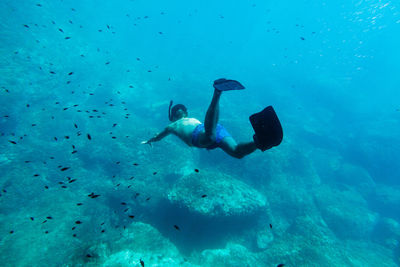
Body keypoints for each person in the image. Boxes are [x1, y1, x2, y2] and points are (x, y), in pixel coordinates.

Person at [141, 79, 283, 158]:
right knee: (236, 152)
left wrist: (150, 140)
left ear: (172, 116)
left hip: (203, 133)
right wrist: (151, 140)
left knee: (209, 136)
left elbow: (158, 136)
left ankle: (217, 92)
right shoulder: (189, 119)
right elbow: (158, 136)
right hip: (213, 128)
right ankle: (260, 141)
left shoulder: (172, 126)